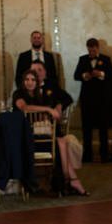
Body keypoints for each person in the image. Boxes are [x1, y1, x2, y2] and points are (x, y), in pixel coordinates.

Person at [30, 60, 86, 195]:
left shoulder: (51, 85)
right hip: (33, 132)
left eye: (39, 70)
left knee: (59, 141)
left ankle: (67, 181)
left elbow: (67, 98)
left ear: (45, 72)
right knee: (60, 143)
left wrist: (59, 105)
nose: (36, 73)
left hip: (51, 128)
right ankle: (69, 180)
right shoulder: (28, 88)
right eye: (33, 70)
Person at [73, 37, 112, 163]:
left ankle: (104, 155)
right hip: (87, 99)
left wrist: (101, 74)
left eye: (94, 50)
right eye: (90, 50)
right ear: (87, 48)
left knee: (103, 128)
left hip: (102, 99)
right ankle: (87, 156)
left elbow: (111, 75)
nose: (92, 52)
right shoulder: (82, 59)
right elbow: (76, 75)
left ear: (98, 48)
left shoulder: (106, 59)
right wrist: (85, 75)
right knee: (87, 129)